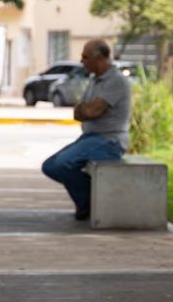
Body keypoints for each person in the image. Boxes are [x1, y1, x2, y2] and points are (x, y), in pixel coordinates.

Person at [41, 39, 131, 220]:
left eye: (85, 57)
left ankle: (87, 204)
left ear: (99, 58)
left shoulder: (116, 81)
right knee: (50, 166)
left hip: (109, 141)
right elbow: (80, 111)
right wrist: (85, 110)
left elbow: (92, 111)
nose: (82, 61)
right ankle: (94, 195)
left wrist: (85, 110)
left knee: (62, 164)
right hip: (90, 138)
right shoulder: (94, 80)